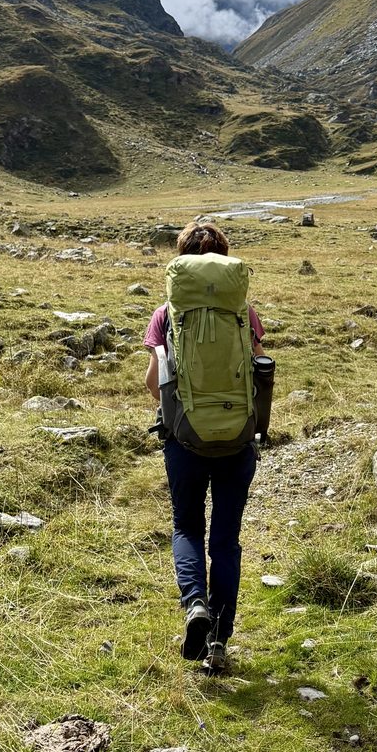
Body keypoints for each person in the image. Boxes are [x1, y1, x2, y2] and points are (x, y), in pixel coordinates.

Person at [144, 221, 265, 673]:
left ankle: (195, 605)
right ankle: (219, 641)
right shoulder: (244, 313)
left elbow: (155, 384)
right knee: (226, 541)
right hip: (237, 440)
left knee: (187, 528)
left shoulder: (166, 315)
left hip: (184, 440)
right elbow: (256, 372)